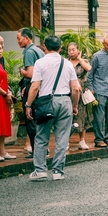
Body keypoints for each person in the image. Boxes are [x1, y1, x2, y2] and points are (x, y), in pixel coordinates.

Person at [25, 35, 80, 181]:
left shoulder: (40, 62)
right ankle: (58, 171)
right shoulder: (67, 63)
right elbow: (75, 88)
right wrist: (74, 105)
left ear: (44, 47)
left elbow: (35, 86)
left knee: (41, 136)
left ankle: (40, 170)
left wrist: (28, 105)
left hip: (46, 102)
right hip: (65, 101)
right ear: (61, 48)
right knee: (62, 138)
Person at [86, 36, 108, 148]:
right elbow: (90, 74)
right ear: (103, 44)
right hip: (99, 90)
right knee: (99, 117)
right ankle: (98, 139)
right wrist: (91, 89)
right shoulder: (97, 56)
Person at [17, 28, 44, 158]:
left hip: (33, 88)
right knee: (39, 121)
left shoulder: (29, 52)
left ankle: (36, 151)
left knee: (30, 119)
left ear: (27, 38)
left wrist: (22, 72)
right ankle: (42, 149)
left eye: (19, 38)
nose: (18, 41)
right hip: (42, 90)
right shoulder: (39, 50)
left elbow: (31, 74)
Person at [67, 43, 92, 150]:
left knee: (82, 116)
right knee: (67, 117)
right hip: (68, 92)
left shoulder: (84, 61)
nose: (71, 52)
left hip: (81, 92)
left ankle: (82, 141)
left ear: (78, 50)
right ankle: (66, 141)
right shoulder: (66, 63)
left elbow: (89, 68)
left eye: (73, 50)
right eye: (69, 50)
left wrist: (79, 59)